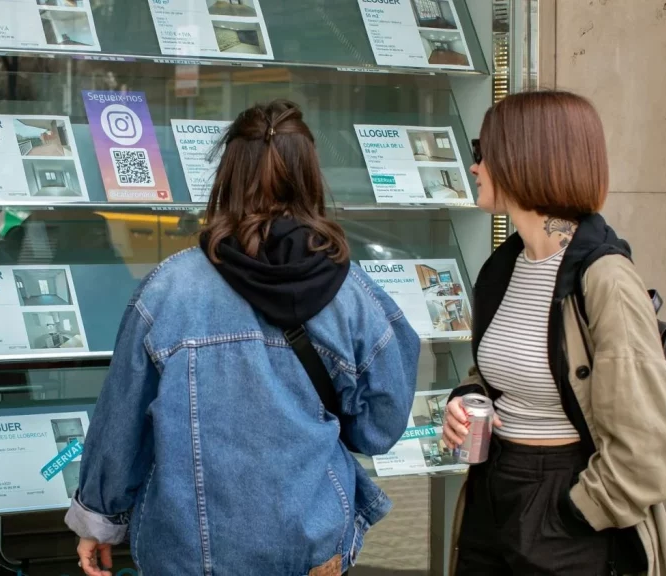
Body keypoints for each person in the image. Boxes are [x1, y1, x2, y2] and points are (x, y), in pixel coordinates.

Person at [65, 99, 420, 576]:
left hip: (188, 551)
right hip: (312, 543)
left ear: (227, 175)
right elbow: (380, 428)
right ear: (310, 175)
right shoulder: (353, 294)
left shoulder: (167, 290)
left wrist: (99, 520)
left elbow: (122, 421)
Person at [442, 90, 666, 576]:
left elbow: (654, 442)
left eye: (482, 152)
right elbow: (502, 372)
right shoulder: (505, 266)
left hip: (565, 502)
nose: (474, 167)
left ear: (523, 159)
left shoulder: (603, 278)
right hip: (492, 492)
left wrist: (580, 511)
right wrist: (467, 398)